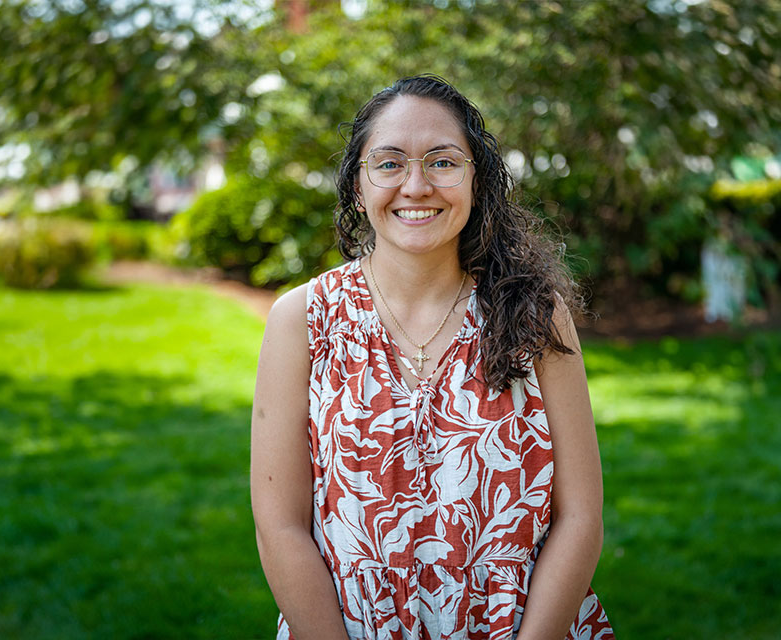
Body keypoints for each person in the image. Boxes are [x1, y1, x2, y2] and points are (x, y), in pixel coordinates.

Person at [250, 74, 614, 640]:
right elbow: (280, 526)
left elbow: (580, 517)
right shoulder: (302, 319)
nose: (416, 185)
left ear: (476, 180)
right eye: (389, 163)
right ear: (356, 186)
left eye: (442, 162)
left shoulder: (534, 315)